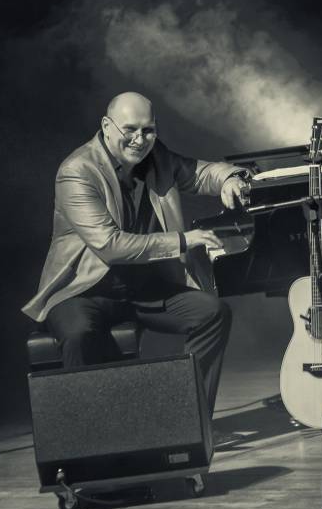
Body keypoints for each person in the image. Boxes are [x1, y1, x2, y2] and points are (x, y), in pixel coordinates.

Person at [22, 91, 250, 419]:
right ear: (107, 126)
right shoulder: (77, 170)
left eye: (148, 130)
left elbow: (199, 173)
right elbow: (110, 245)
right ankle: (88, 432)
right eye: (130, 129)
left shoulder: (156, 156)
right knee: (79, 335)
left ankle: (187, 420)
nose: (140, 140)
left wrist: (229, 178)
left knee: (213, 313)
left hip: (143, 288)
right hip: (83, 290)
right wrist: (182, 241)